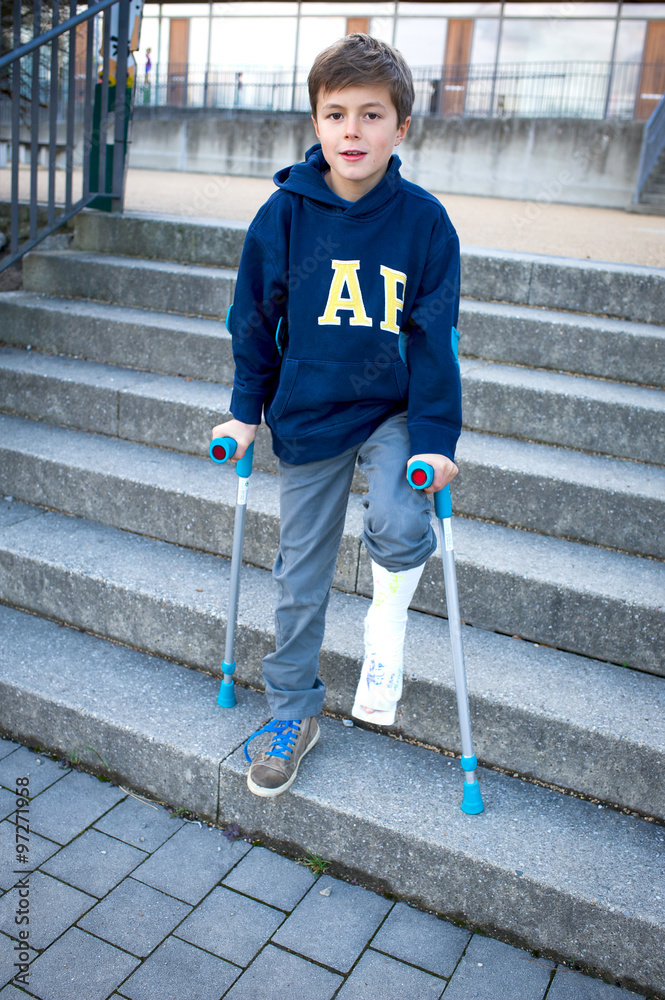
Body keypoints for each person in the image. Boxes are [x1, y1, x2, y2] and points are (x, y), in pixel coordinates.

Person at [211, 33, 462, 798]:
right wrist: (241, 415)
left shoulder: (424, 224)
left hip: (390, 409)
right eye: (335, 114)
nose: (352, 130)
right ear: (316, 123)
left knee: (399, 522)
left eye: (371, 115)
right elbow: (253, 320)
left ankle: (385, 625)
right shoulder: (283, 215)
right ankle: (291, 711)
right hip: (309, 413)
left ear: (401, 128)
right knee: (299, 576)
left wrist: (437, 439)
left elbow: (435, 341)